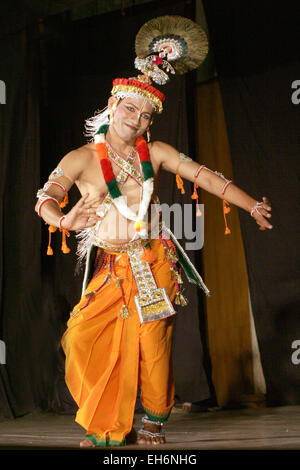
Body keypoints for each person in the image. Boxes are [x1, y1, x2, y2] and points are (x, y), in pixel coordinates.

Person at [35, 18, 273, 447]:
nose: (136, 119)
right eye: (130, 108)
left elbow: (207, 177)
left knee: (154, 345)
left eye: (146, 115)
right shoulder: (82, 158)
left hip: (154, 258)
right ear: (113, 104)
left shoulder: (156, 152)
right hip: (111, 265)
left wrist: (251, 203)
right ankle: (110, 424)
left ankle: (154, 423)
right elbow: (46, 199)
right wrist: (64, 220)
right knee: (82, 338)